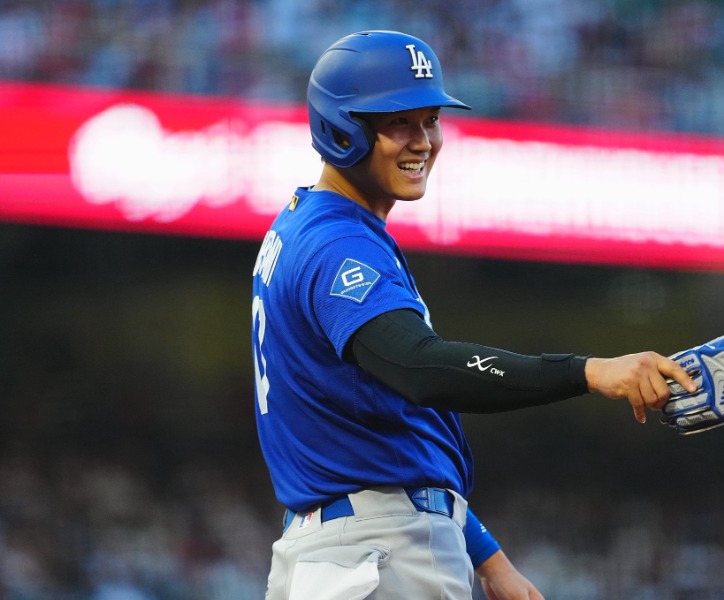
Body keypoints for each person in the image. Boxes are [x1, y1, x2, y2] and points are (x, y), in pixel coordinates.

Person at [251, 30, 696, 600]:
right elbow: (420, 368)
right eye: (398, 124)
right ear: (342, 130)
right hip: (378, 552)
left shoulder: (304, 222)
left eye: (430, 119)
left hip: (335, 551)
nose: (423, 141)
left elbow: (398, 438)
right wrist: (587, 371)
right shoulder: (340, 245)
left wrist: (488, 559)